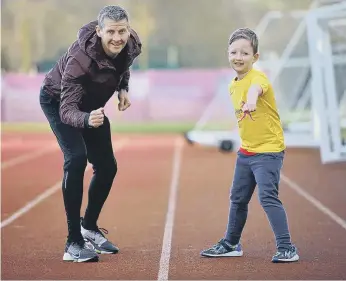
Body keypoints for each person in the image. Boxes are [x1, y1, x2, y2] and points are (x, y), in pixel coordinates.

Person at [39, 5, 142, 262]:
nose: (118, 37)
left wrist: (123, 89)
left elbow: (123, 65)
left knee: (107, 167)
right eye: (111, 32)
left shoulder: (131, 44)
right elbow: (67, 111)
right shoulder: (79, 60)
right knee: (76, 158)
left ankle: (89, 227)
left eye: (122, 31)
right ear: (99, 31)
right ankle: (73, 241)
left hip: (91, 107)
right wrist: (86, 119)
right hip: (60, 102)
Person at [200, 28, 299, 263]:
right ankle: (231, 243)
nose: (238, 57)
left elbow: (255, 90)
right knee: (237, 198)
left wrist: (252, 101)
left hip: (268, 151)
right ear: (228, 54)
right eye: (234, 52)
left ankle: (287, 248)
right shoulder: (233, 85)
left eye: (245, 53)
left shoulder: (258, 78)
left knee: (267, 197)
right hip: (246, 151)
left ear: (255, 57)